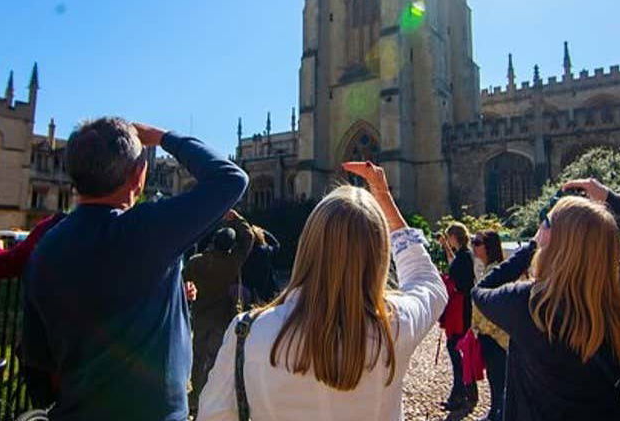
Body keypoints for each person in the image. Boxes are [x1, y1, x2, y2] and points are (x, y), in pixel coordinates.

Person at [22, 118, 248, 421]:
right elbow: (231, 178)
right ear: (138, 175)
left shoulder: (46, 248)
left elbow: (36, 357)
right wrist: (164, 137)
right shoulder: (146, 231)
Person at [196, 161, 447, 421]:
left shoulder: (247, 332)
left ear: (308, 245)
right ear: (379, 255)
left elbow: (213, 415)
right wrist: (383, 199)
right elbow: (428, 281)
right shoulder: (396, 326)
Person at [471, 178, 620, 421]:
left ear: (555, 240)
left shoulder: (526, 301)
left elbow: (481, 290)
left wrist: (531, 247)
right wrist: (609, 198)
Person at [184, 214, 255, 414]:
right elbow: (248, 237)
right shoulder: (233, 262)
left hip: (200, 314)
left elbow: (183, 283)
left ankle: (195, 397)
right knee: (215, 359)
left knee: (197, 358)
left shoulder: (195, 262)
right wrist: (237, 218)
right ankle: (211, 398)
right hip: (223, 316)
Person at [438, 222, 477, 412]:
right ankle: (461, 393)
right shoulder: (464, 255)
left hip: (460, 309)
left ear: (455, 236)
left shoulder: (465, 257)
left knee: (457, 350)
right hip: (459, 308)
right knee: (457, 349)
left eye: (449, 237)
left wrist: (445, 281)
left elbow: (460, 283)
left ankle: (463, 394)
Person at [470, 231, 509, 421]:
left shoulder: (497, 273)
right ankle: (495, 412)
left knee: (499, 378)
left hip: (497, 337)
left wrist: (481, 329)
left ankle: (499, 414)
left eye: (477, 243)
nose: (474, 247)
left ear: (489, 246)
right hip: (488, 335)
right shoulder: (486, 269)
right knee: (494, 378)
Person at [241, 226, 281, 305]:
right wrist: (264, 232)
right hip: (267, 286)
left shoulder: (245, 252)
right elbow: (276, 245)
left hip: (250, 287)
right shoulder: (265, 250)